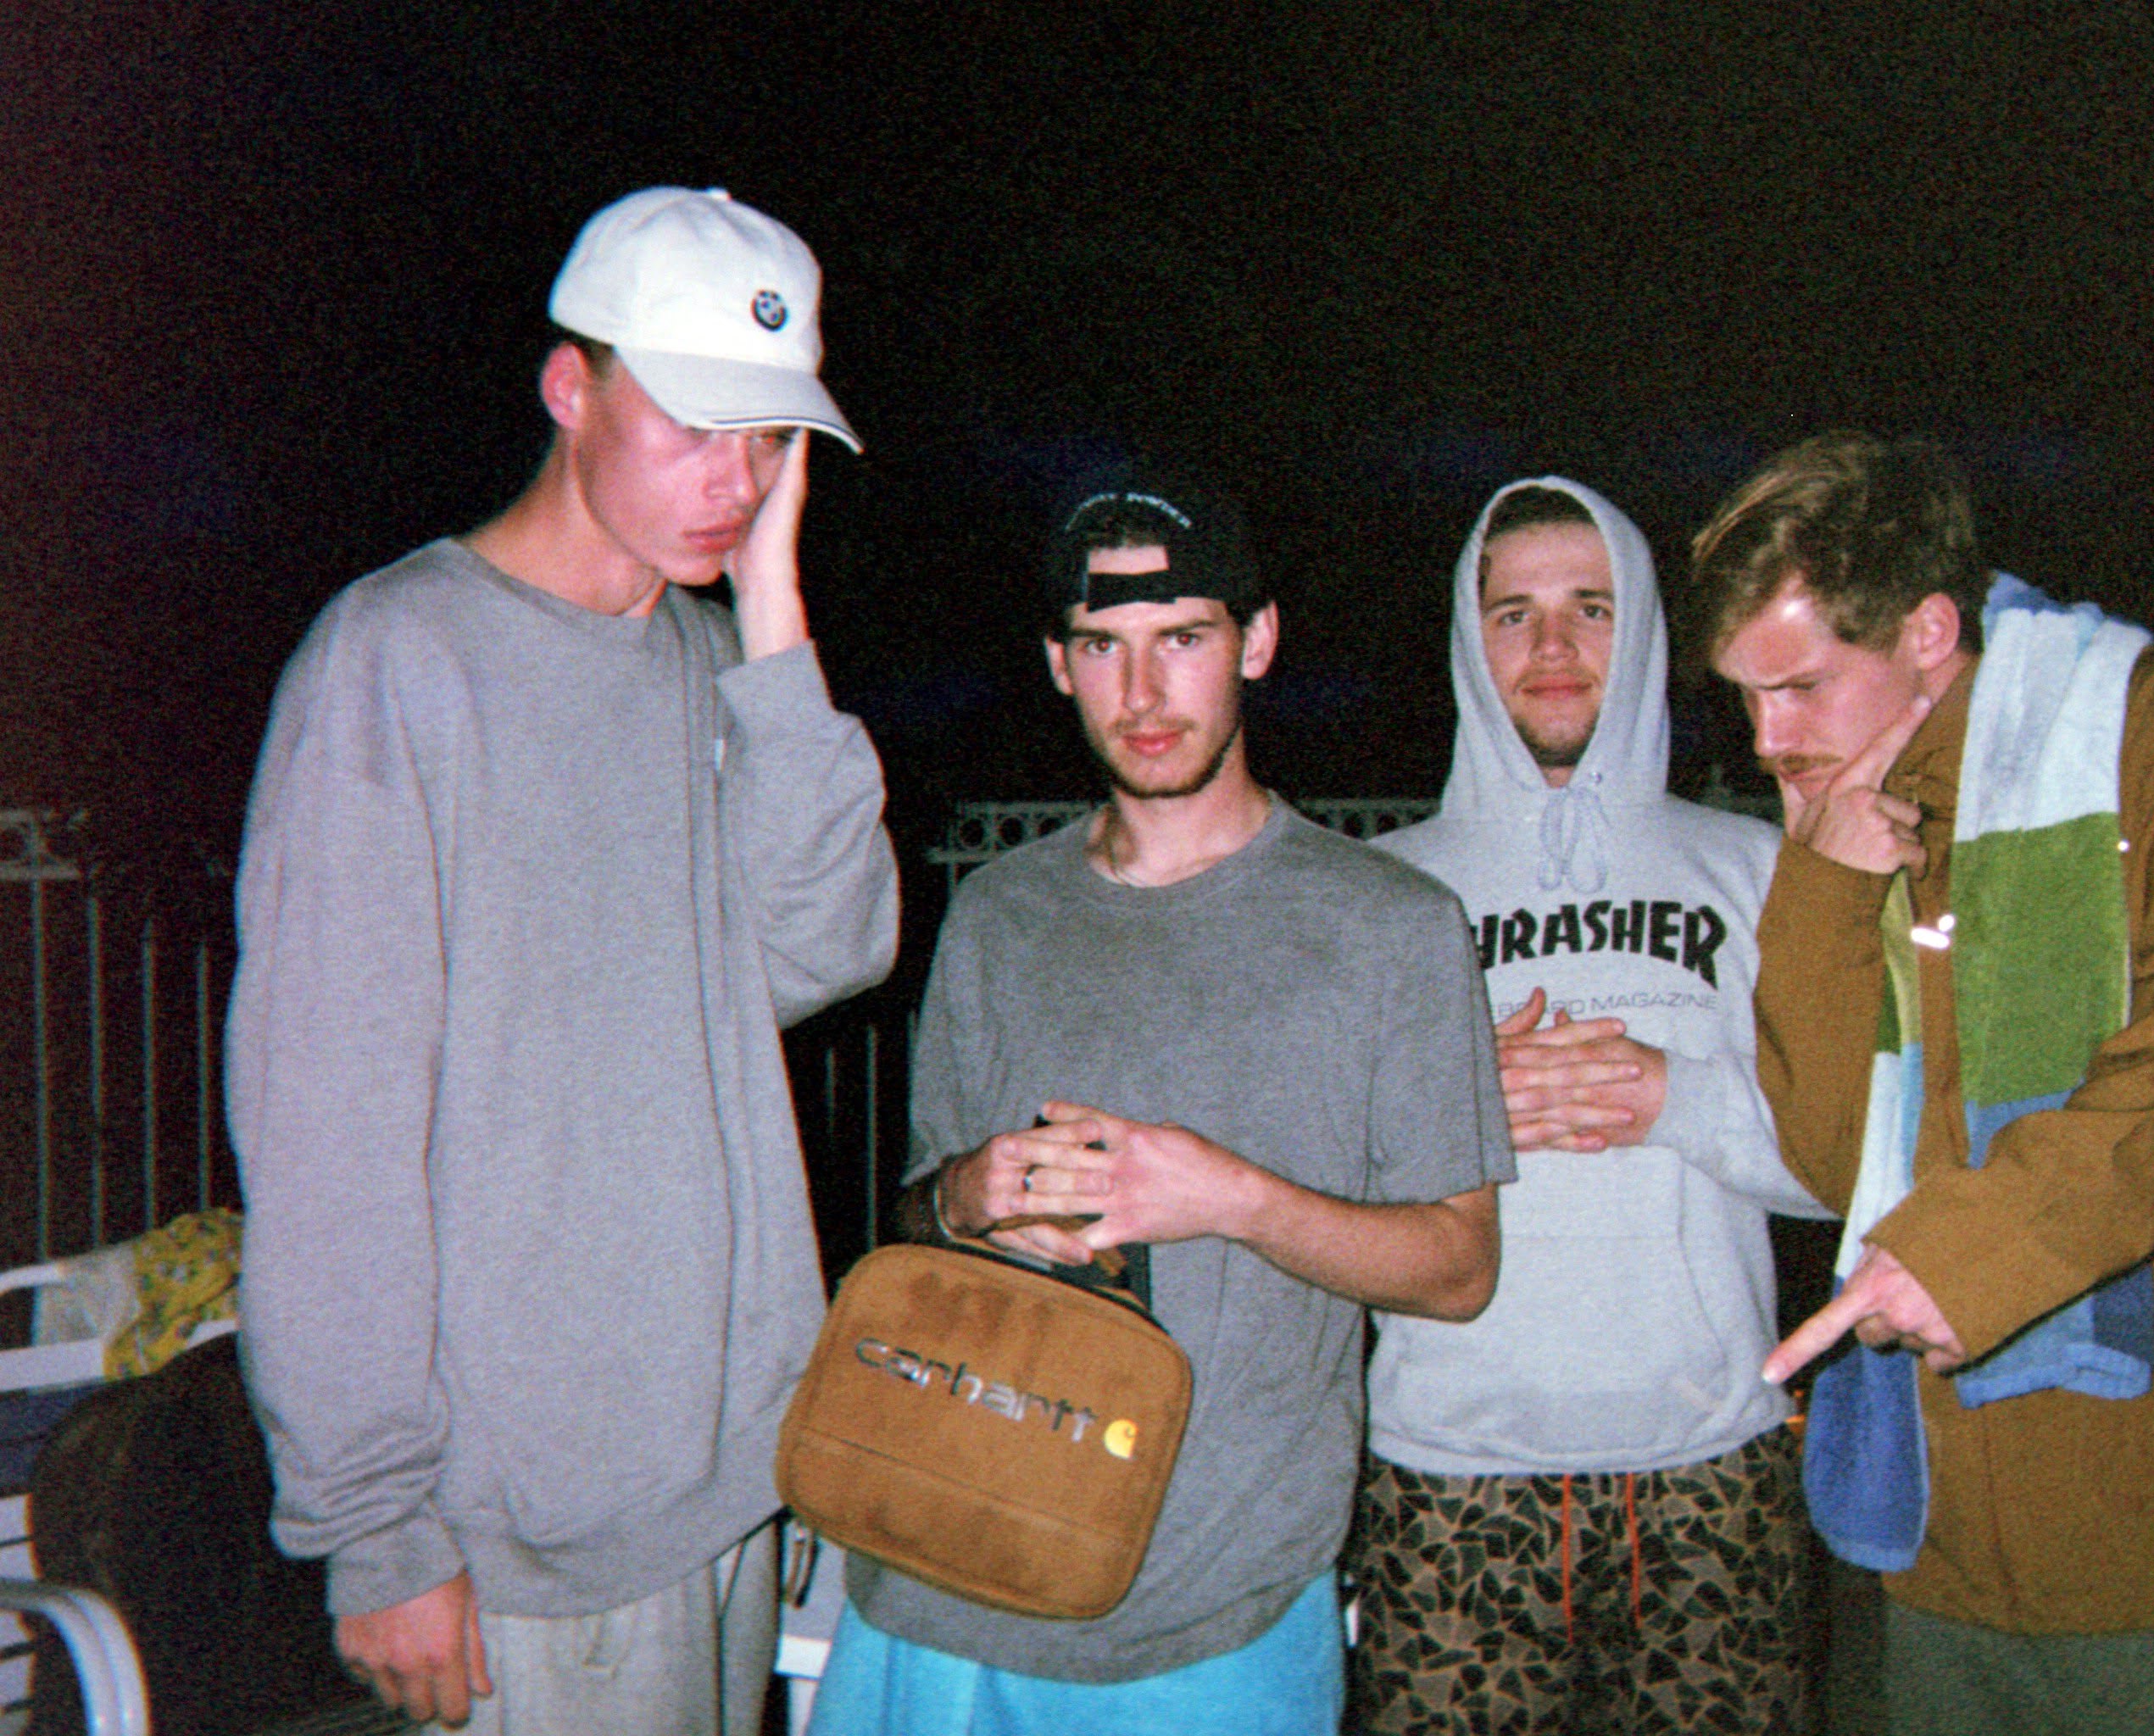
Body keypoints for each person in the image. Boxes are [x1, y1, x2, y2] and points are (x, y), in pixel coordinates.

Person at [227, 186, 903, 1733]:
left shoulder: (704, 669)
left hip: (734, 1473)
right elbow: (328, 1143)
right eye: (694, 427)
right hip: (540, 1530)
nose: (735, 481)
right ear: (569, 387)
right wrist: (376, 1528)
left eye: (770, 439)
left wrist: (776, 630)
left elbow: (834, 946)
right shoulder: (397, 663)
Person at [1696, 431, 2154, 1733]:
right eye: (1744, 698)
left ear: (1929, 631)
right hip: (1955, 1575)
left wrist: (1979, 1250)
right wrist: (1819, 880)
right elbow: (1831, 1160)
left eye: (1803, 687)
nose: (1769, 739)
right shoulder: (1856, 816)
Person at [806, 474, 1514, 1736]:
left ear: (1257, 642)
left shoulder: (1392, 928)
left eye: (1182, 640)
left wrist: (1231, 1199)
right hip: (936, 1582)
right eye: (1103, 649)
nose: (1142, 696)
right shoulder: (998, 912)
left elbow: (1458, 1267)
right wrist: (967, 1194)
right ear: (1057, 665)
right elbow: (912, 1215)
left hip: (1208, 1617)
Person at [1346, 479, 1825, 1733]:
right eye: (1514, 614)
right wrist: (1457, 1104)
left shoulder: (1758, 872)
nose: (1553, 648)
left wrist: (1669, 1095)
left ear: (1650, 630)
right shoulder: (1379, 892)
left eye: (1591, 609)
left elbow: (1846, 1163)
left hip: (1711, 1471)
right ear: (1468, 638)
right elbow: (1306, 1188)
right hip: (1452, 1475)